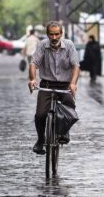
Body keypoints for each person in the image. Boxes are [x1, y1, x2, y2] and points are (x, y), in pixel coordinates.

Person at [28, 21, 80, 155]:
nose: (54, 37)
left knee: (69, 108)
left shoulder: (69, 45)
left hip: (65, 85)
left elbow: (76, 66)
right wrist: (33, 79)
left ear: (61, 34)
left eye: (57, 34)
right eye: (51, 34)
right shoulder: (42, 45)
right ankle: (40, 140)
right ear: (47, 35)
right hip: (47, 85)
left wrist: (73, 83)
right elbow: (34, 63)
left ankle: (64, 132)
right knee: (40, 115)